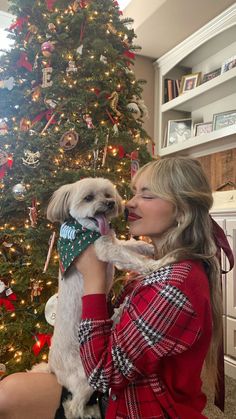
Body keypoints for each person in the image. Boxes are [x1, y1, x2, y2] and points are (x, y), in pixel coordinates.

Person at [0, 157, 223, 418]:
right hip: (122, 381)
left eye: (147, 195)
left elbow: (103, 374)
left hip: (138, 402)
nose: (129, 203)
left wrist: (93, 281)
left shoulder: (175, 283)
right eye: (133, 193)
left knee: (9, 395)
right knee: (10, 390)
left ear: (182, 210)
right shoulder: (165, 266)